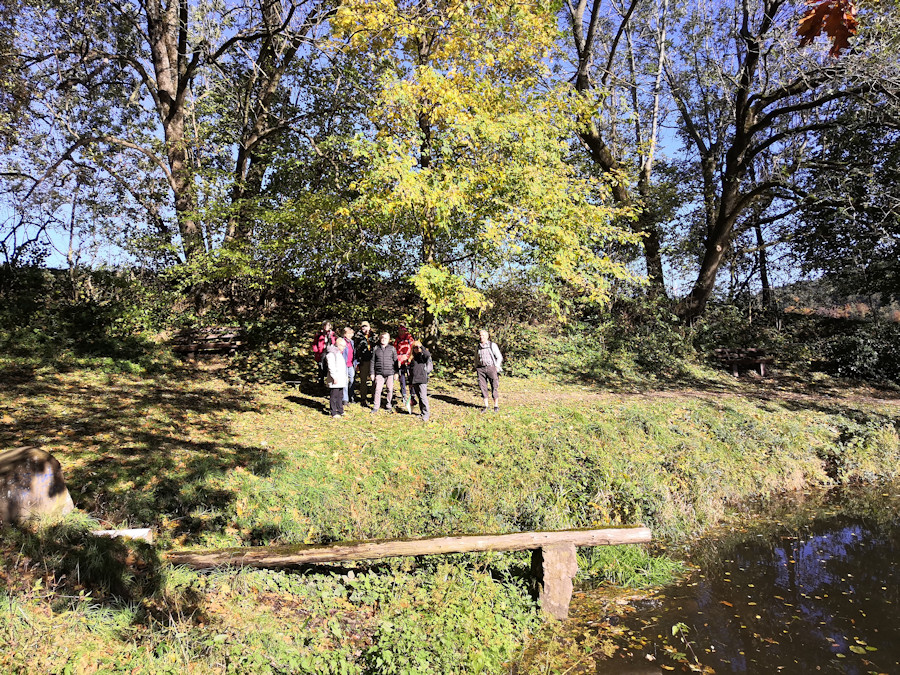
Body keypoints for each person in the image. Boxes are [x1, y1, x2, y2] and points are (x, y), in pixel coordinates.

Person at [475, 329, 503, 413]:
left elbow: (499, 357)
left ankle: (496, 406)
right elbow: (476, 358)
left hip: (491, 368)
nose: (481, 337)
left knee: (494, 386)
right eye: (480, 335)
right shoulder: (478, 347)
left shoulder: (492, 345)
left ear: (487, 336)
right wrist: (476, 367)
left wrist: (497, 367)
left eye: (483, 335)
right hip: (481, 369)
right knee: (482, 386)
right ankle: (486, 406)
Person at [370, 332, 398, 414]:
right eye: (382, 338)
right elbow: (372, 361)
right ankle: (376, 407)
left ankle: (388, 405)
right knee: (378, 389)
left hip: (390, 373)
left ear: (389, 340)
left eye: (385, 338)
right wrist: (372, 373)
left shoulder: (392, 349)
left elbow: (395, 361)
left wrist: (396, 373)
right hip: (379, 373)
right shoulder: (376, 348)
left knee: (390, 389)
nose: (384, 340)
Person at [408, 340, 432, 422]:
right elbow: (411, 371)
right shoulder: (412, 358)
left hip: (422, 379)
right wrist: (410, 382)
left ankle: (426, 414)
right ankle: (422, 412)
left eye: (418, 347)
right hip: (415, 380)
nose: (416, 349)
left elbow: (428, 355)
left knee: (423, 397)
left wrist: (422, 348)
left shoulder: (423, 357)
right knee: (419, 397)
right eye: (415, 347)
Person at [354, 321, 376, 406]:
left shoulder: (374, 336)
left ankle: (374, 397)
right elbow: (356, 349)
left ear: (369, 327)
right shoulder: (358, 336)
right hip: (363, 360)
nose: (364, 328)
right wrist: (356, 362)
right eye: (363, 327)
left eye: (366, 326)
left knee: (374, 380)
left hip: (373, 360)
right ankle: (363, 398)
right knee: (363, 380)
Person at [325, 337, 348, 418]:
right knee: (334, 396)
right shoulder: (331, 354)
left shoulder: (339, 353)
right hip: (335, 379)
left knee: (340, 396)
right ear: (338, 345)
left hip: (341, 379)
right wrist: (334, 377)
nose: (344, 348)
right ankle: (333, 412)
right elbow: (331, 367)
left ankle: (340, 410)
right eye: (343, 346)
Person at [395, 325, 415, 414]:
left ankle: (412, 394)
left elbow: (413, 349)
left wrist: (409, 358)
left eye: (402, 331)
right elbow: (395, 350)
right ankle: (403, 394)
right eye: (399, 331)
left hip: (408, 361)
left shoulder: (409, 339)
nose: (400, 332)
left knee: (411, 378)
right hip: (400, 361)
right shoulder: (397, 339)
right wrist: (397, 360)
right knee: (402, 379)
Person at [311, 321, 335, 388]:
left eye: (327, 325)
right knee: (321, 368)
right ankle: (321, 384)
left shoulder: (333, 334)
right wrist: (317, 350)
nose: (326, 327)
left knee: (329, 368)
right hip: (321, 353)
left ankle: (329, 384)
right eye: (325, 325)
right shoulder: (319, 334)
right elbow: (314, 343)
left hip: (330, 353)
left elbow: (334, 343)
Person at [342, 327, 355, 404]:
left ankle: (351, 396)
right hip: (344, 364)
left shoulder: (352, 342)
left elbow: (354, 353)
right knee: (345, 381)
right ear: (344, 334)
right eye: (348, 333)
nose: (350, 335)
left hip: (351, 364)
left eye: (351, 333)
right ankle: (345, 398)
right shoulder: (342, 342)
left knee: (352, 380)